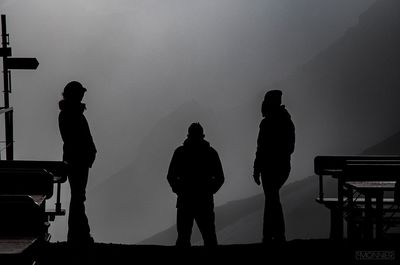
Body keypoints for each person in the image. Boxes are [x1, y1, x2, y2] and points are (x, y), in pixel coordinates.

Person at [167, 123, 224, 247]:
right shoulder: (210, 153)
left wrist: (179, 190)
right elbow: (220, 177)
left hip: (185, 201)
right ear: (202, 135)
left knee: (183, 239)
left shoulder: (180, 152)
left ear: (189, 135)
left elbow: (170, 176)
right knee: (209, 238)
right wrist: (209, 191)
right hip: (204, 201)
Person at [253, 90, 295, 243]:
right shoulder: (286, 120)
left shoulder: (269, 123)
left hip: (270, 167)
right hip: (280, 167)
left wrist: (257, 169)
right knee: (272, 198)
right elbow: (289, 147)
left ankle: (273, 235)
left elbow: (261, 148)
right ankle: (273, 235)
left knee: (271, 199)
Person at [59, 81, 97, 245]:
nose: (82, 96)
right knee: (78, 197)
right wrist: (89, 153)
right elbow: (77, 139)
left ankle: (77, 234)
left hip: (77, 159)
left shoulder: (69, 113)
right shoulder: (72, 114)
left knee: (78, 196)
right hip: (78, 160)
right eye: (80, 93)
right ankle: (79, 235)